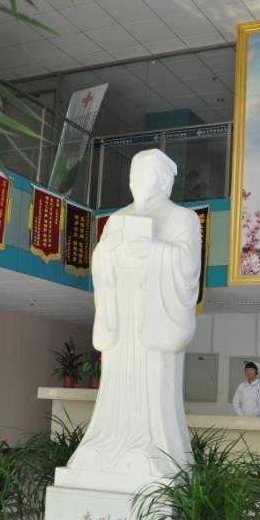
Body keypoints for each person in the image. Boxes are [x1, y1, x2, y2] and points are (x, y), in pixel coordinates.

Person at [63, 148, 200, 487]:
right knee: (116, 383)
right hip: (122, 317)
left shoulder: (182, 218)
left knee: (152, 384)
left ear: (164, 181)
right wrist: (108, 254)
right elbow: (100, 262)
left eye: (144, 175)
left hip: (153, 319)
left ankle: (153, 447)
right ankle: (108, 443)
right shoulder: (117, 218)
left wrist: (154, 251)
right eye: (133, 176)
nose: (136, 182)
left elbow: (187, 268)